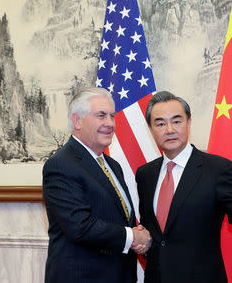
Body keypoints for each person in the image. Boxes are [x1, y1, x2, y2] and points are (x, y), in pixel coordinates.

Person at [136, 91, 232, 283]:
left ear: (189, 123)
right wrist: (143, 242)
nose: (169, 130)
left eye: (177, 121)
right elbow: (153, 233)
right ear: (151, 129)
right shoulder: (144, 174)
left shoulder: (217, 169)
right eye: (160, 123)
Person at [42, 87, 151, 283]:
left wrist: (138, 238)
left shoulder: (112, 166)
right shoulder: (61, 164)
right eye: (101, 115)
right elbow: (79, 226)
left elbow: (118, 218)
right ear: (77, 121)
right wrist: (132, 237)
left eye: (112, 116)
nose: (110, 123)